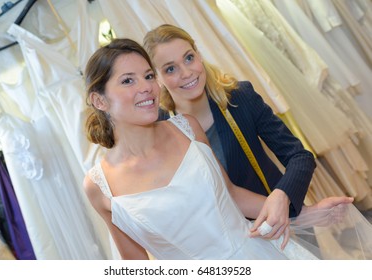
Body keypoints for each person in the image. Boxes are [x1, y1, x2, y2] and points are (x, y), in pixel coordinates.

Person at [82, 38, 371, 260]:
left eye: (147, 76)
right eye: (128, 80)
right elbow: (135, 264)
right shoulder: (99, 187)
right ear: (100, 100)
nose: (146, 87)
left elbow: (230, 195)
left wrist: (303, 213)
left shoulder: (187, 128)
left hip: (262, 257)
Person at [143, 24, 316, 238]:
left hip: (281, 226)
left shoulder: (239, 98)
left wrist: (282, 196)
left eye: (189, 58)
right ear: (156, 78)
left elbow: (300, 156)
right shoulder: (157, 129)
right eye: (170, 69)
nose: (186, 72)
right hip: (221, 245)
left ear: (198, 54)